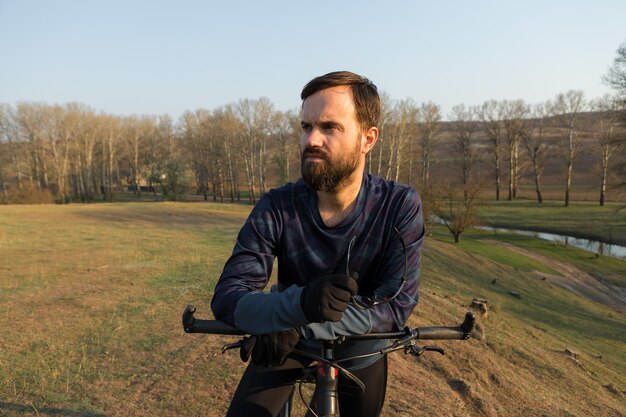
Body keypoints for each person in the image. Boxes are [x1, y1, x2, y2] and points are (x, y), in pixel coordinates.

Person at [211, 71, 425, 417]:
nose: (311, 139)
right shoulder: (278, 206)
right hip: (286, 342)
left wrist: (300, 318)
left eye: (330, 127)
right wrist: (297, 307)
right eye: (306, 126)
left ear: (367, 139)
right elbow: (228, 295)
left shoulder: (398, 205)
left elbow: (395, 305)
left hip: (361, 344)